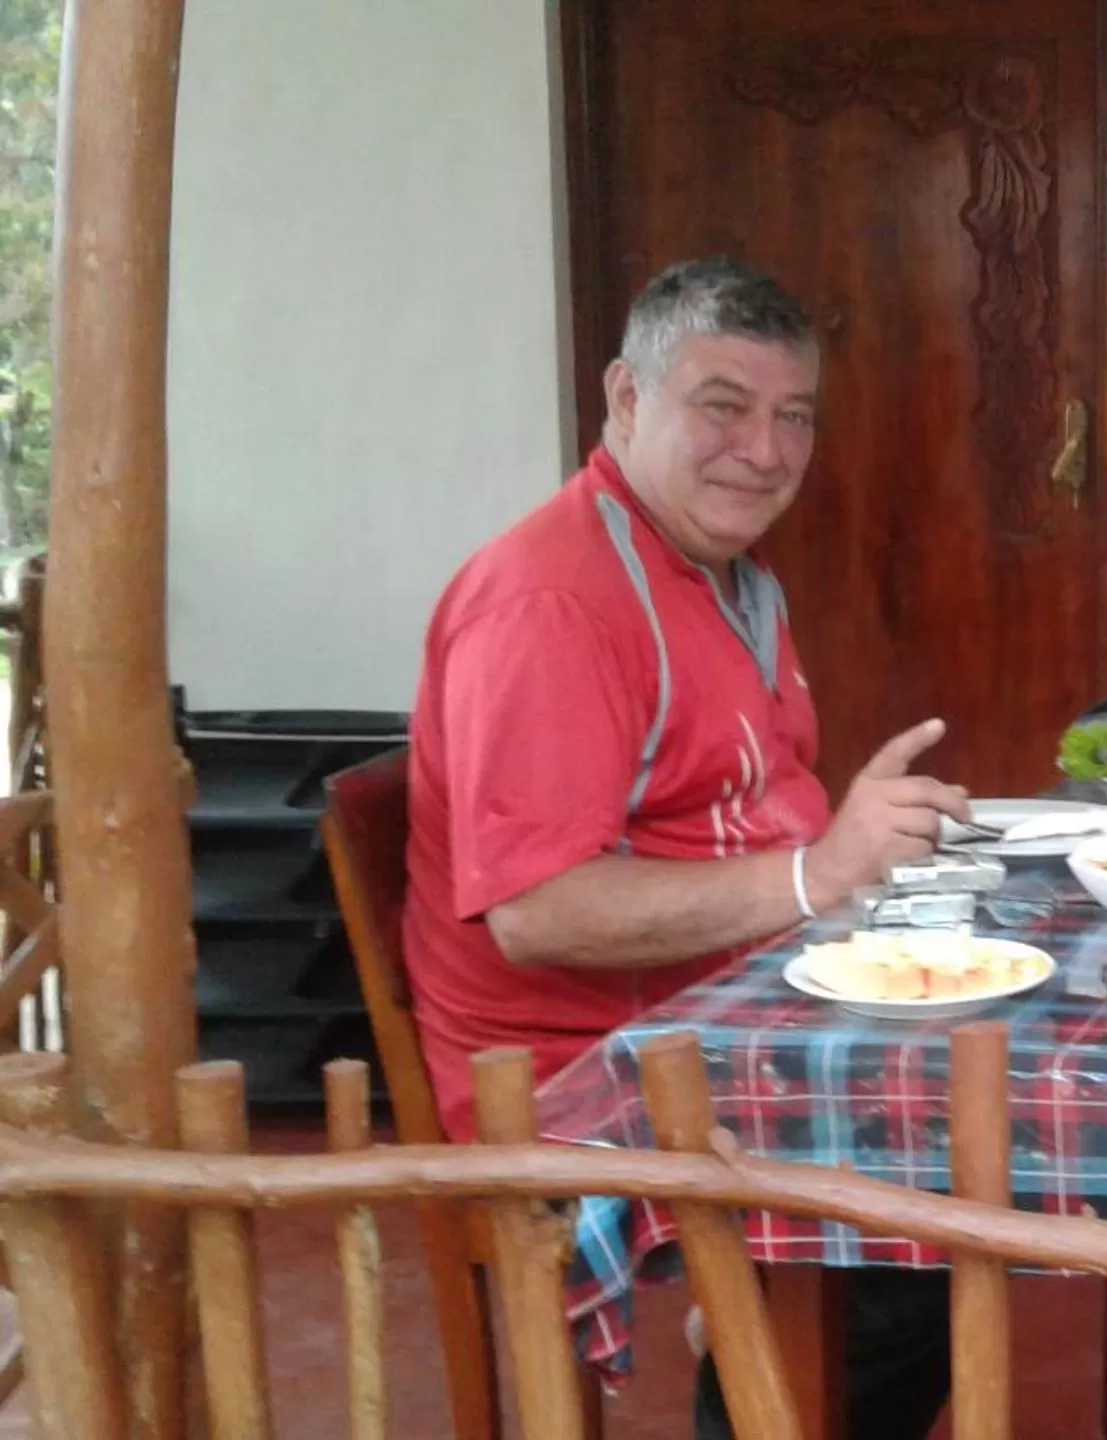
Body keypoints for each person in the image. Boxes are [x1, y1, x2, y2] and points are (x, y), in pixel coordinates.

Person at [402, 256, 964, 1439]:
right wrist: (821, 875)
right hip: (577, 1080)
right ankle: (764, 1364)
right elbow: (538, 913)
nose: (764, 450)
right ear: (624, 399)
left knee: (970, 1115)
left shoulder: (724, 578)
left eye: (792, 416)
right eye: (723, 405)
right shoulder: (552, 603)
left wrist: (870, 856)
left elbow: (757, 808)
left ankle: (762, 1339)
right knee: (919, 1237)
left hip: (721, 1017)